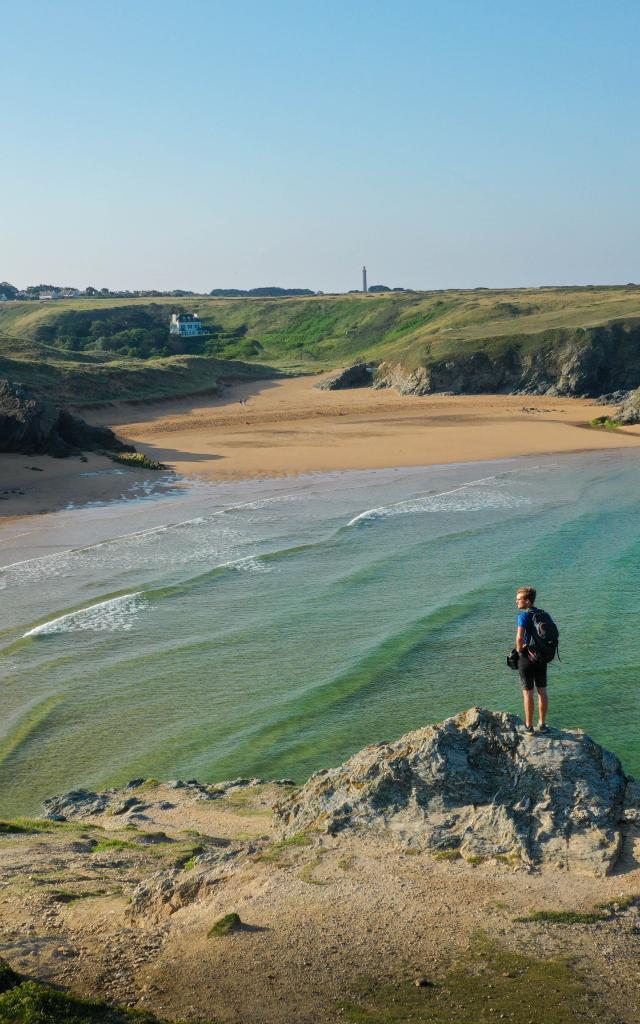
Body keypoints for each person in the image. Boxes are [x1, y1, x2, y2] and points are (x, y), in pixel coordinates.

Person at [515, 586, 549, 735]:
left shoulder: (524, 616)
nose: (516, 602)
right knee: (542, 690)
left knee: (528, 693)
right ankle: (542, 724)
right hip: (541, 657)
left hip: (527, 659)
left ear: (527, 601)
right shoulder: (543, 614)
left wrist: (519, 651)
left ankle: (528, 727)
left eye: (519, 599)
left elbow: (519, 638)